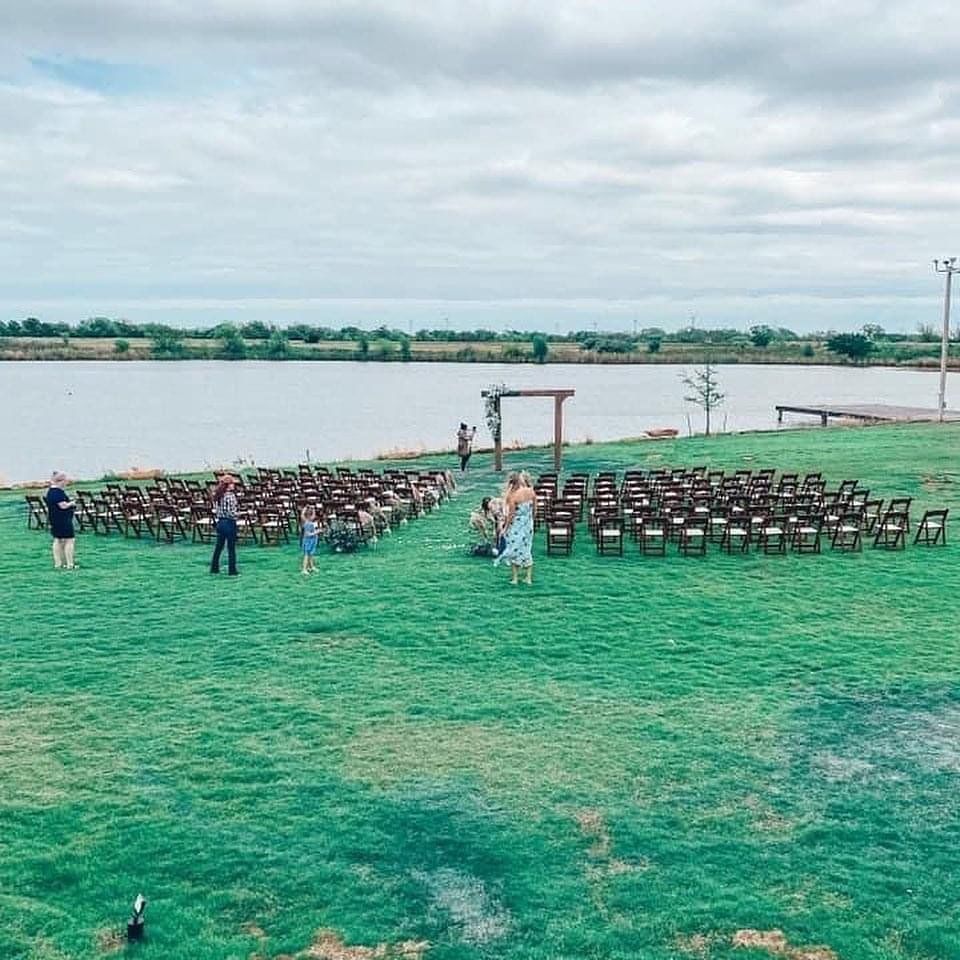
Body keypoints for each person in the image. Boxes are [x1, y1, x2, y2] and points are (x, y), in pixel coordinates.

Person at [493, 471, 535, 585]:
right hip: (529, 524)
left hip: (517, 526)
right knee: (527, 548)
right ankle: (528, 578)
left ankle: (515, 578)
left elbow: (511, 516)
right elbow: (534, 509)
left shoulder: (514, 497)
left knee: (514, 549)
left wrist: (505, 528)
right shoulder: (531, 492)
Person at [45, 471, 77, 570]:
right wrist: (72, 503)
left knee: (57, 540)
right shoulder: (57, 492)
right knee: (69, 540)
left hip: (54, 519)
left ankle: (58, 563)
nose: (66, 483)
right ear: (61, 481)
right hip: (62, 520)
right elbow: (62, 506)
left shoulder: (50, 491)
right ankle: (70, 564)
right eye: (65, 480)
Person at [210, 474, 240, 575]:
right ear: (229, 485)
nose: (234, 485)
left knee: (219, 547)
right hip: (229, 523)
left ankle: (214, 568)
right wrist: (239, 515)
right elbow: (231, 512)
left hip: (220, 522)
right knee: (231, 548)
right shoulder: (230, 496)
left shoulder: (218, 496)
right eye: (232, 483)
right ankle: (232, 570)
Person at [301, 505, 319, 574]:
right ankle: (304, 569)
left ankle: (311, 566)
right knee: (306, 555)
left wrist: (312, 508)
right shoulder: (308, 524)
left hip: (312, 541)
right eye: (313, 514)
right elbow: (308, 534)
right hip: (308, 541)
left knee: (311, 555)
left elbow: (302, 515)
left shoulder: (307, 521)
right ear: (309, 516)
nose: (314, 516)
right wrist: (316, 532)